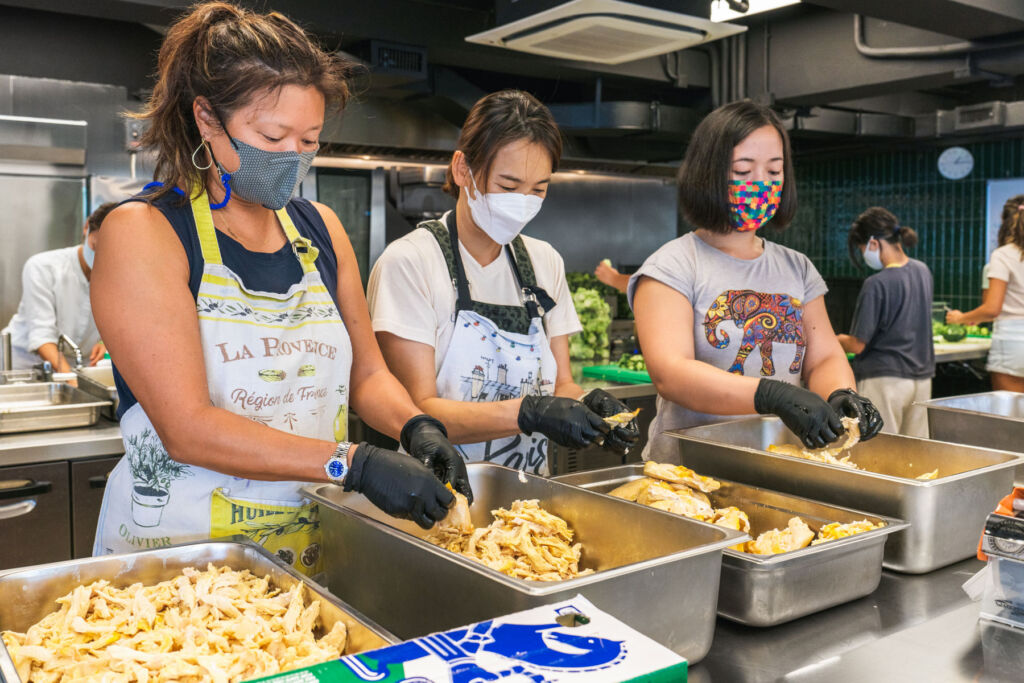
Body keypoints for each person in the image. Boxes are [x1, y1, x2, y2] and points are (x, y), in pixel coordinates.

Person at [90, 2, 470, 574]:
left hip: (307, 547)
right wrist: (354, 463)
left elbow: (366, 375)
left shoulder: (320, 229)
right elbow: (188, 429)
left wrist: (416, 426)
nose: (293, 157)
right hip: (181, 560)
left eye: (309, 139)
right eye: (272, 136)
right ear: (207, 119)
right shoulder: (144, 232)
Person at [367, 90, 638, 475]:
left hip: (529, 492)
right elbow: (416, 411)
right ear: (462, 169)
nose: (523, 202)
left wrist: (590, 406)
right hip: (437, 490)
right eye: (509, 187)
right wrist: (527, 413)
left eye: (538, 189)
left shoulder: (545, 262)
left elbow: (562, 384)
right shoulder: (411, 262)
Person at [629, 101, 883, 460]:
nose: (761, 183)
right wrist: (770, 394)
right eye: (743, 170)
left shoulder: (797, 267)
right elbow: (671, 374)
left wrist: (840, 393)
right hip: (688, 471)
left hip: (778, 463)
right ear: (707, 174)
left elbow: (824, 356)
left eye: (774, 171)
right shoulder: (673, 265)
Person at [837, 208, 933, 438]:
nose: (864, 255)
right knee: (916, 451)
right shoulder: (922, 270)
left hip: (885, 380)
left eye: (862, 249)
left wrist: (835, 340)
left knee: (881, 448)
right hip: (922, 379)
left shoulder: (876, 283)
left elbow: (858, 344)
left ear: (873, 243)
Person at [3, 203, 116, 372]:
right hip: (24, 365)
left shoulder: (120, 278)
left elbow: (118, 325)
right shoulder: (43, 267)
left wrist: (103, 343)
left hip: (79, 368)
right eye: (96, 246)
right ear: (87, 227)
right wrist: (69, 378)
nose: (102, 256)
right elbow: (42, 336)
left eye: (111, 252)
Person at [948, 194, 1024, 392]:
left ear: (1005, 223)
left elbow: (991, 309)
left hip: (1012, 345)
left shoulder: (1003, 255)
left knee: (1009, 410)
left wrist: (960, 318)